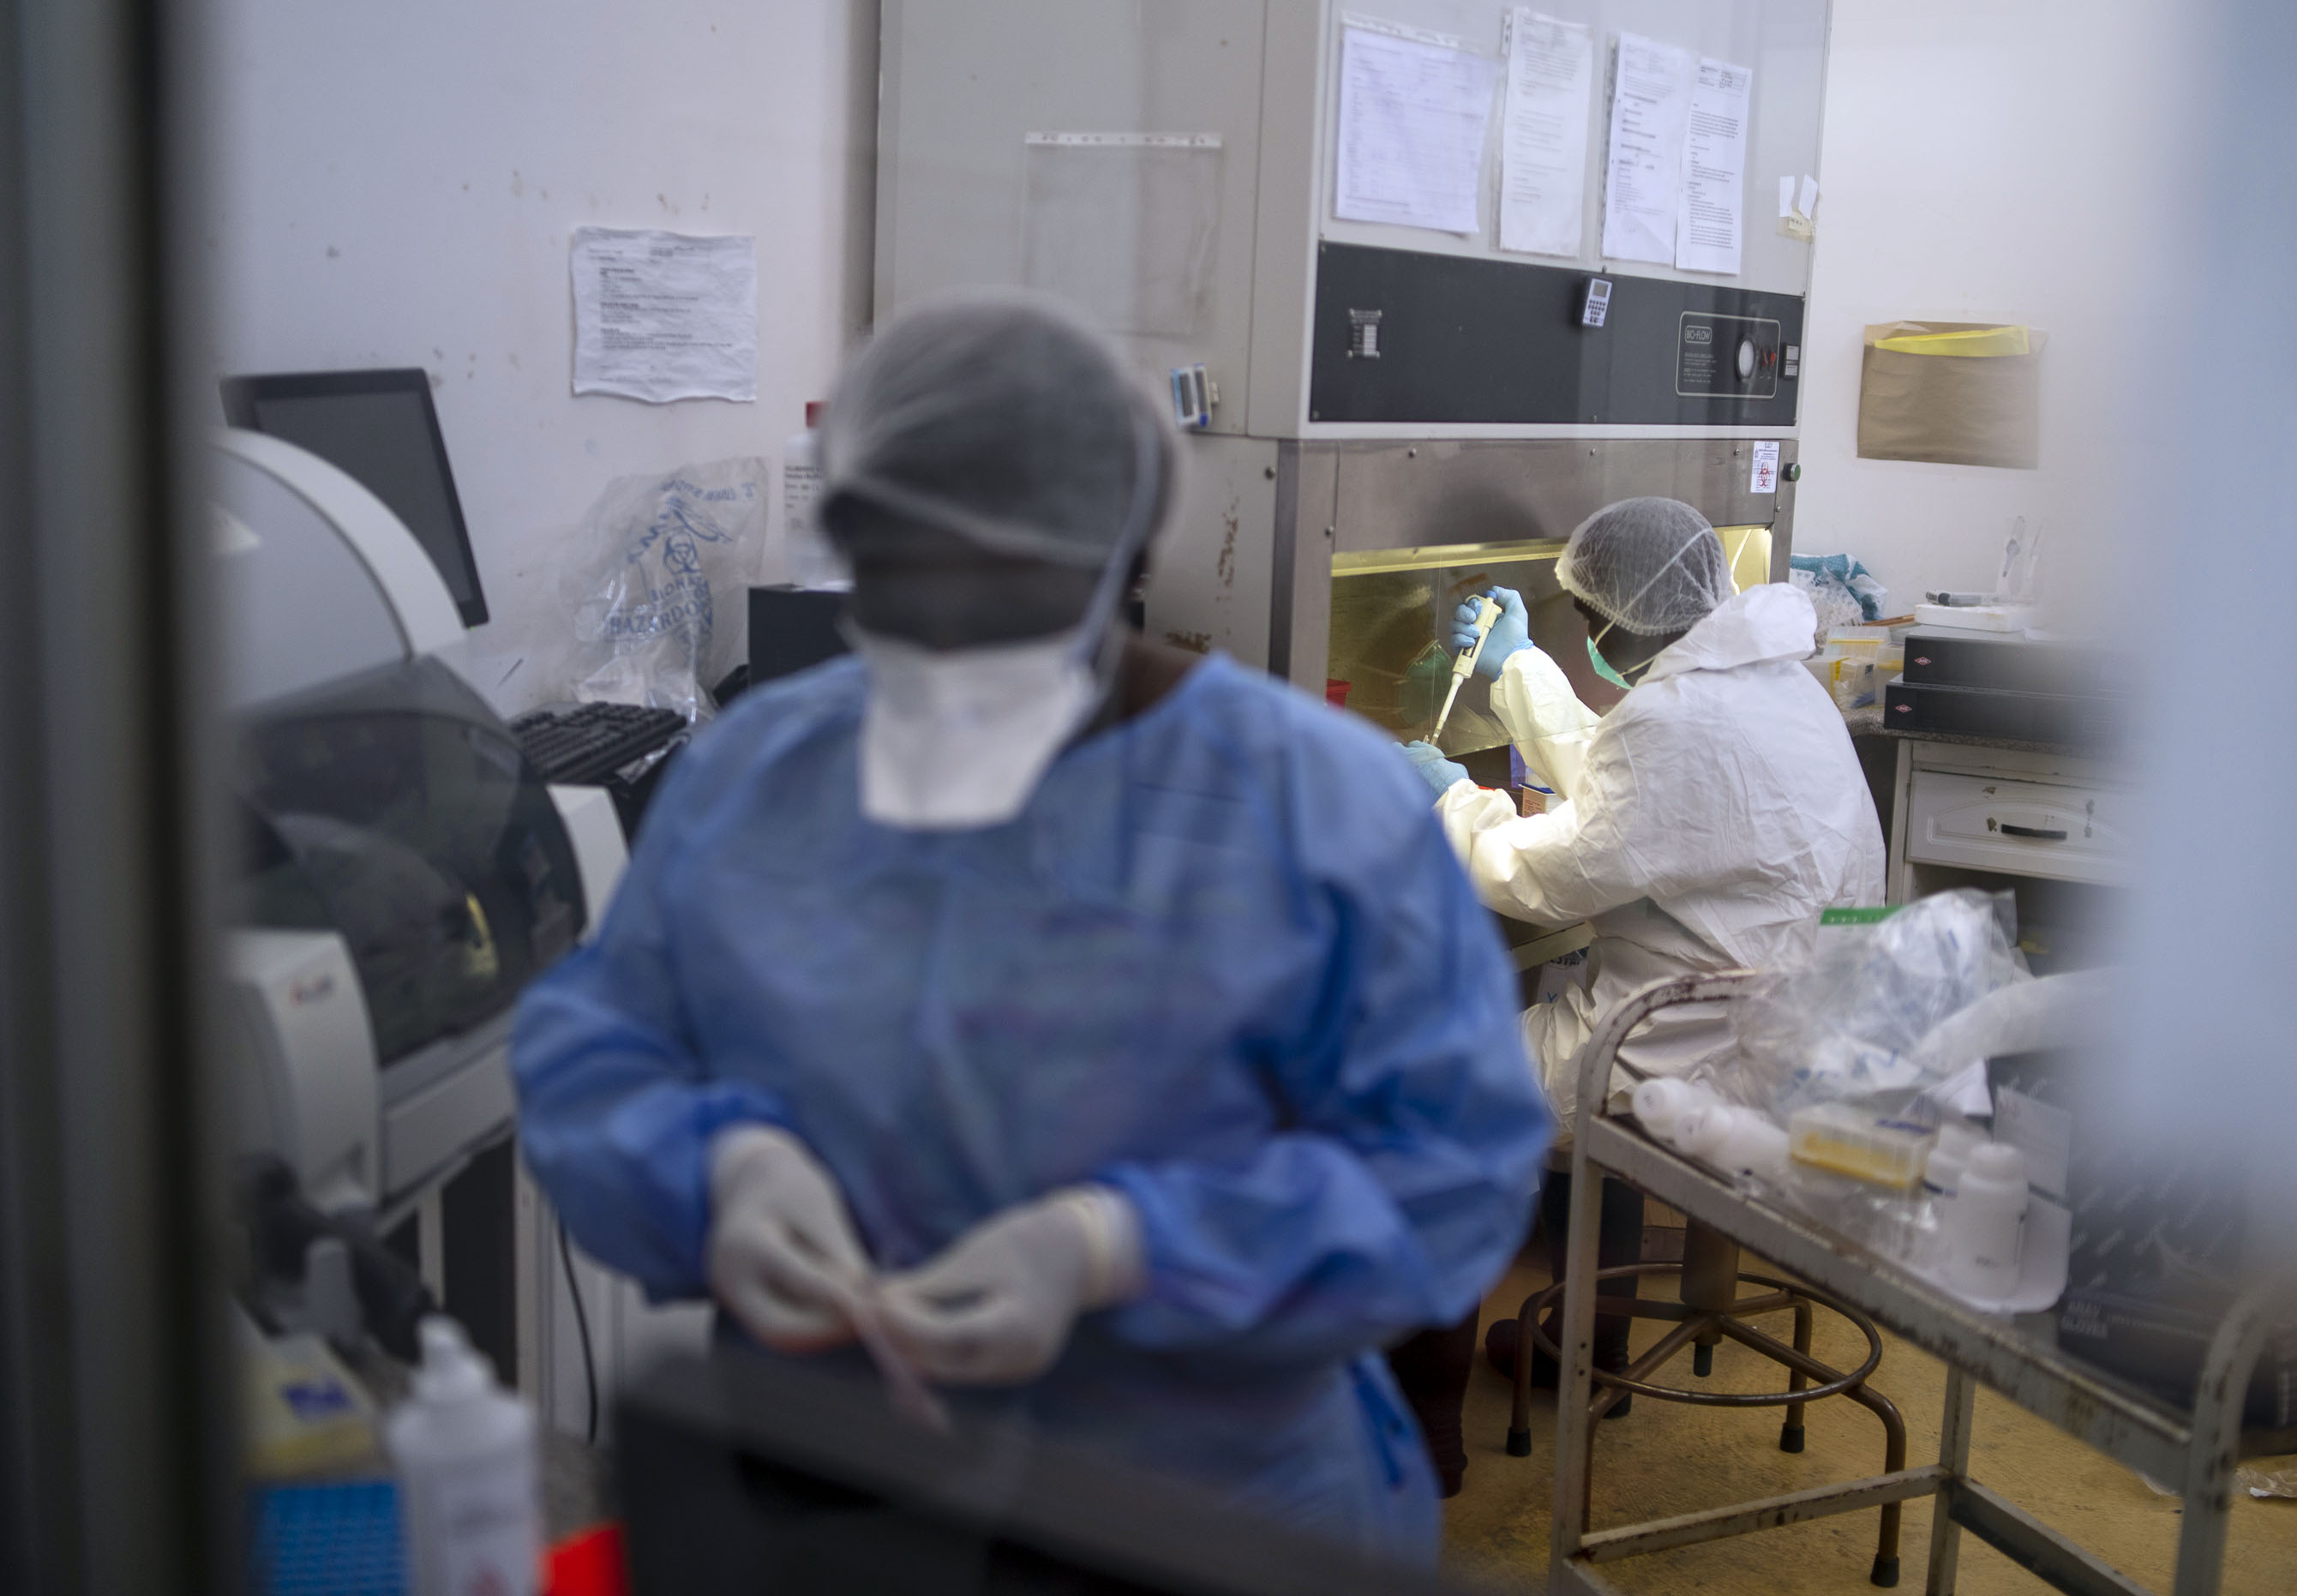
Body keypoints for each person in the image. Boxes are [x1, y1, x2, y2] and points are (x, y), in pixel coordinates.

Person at [512, 292, 1550, 1563]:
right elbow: (602, 1043)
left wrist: (1119, 1247)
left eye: (1002, 595)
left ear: (1112, 558)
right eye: (907, 591)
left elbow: (1453, 1165)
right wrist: (717, 1171)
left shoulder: (1314, 805)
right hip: (842, 1490)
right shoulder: (766, 774)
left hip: (1211, 1509)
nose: (950, 645)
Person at [1400, 496, 1883, 1389]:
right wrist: (1524, 672)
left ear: (1618, 617)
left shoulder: (1682, 718)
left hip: (1703, 1051)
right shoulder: (1770, 684)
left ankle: (1430, 1418)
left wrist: (1446, 799)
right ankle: (1593, 1344)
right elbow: (1648, 798)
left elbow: (1552, 878)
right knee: (1565, 1036)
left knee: (1439, 1085)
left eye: (1584, 616)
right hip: (1808, 1031)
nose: (1584, 631)